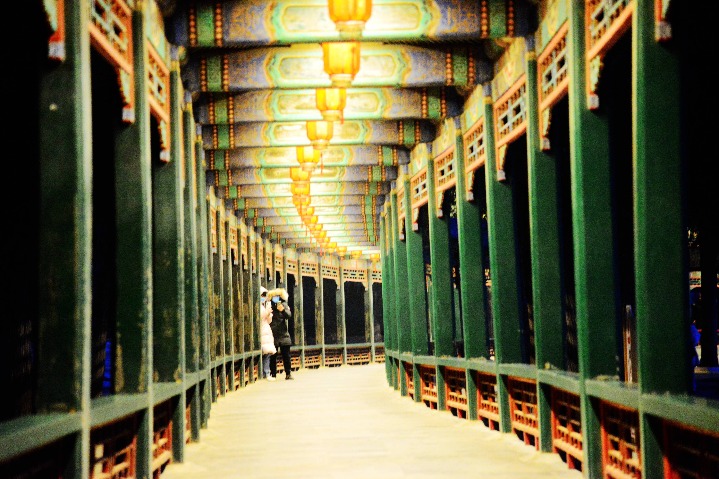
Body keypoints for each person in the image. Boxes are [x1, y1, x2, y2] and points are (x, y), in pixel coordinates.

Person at [267, 288, 294, 380]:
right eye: (274, 296)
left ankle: (288, 373)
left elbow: (289, 316)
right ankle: (273, 373)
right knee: (273, 356)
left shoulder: (283, 305)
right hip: (272, 333)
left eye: (277, 296)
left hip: (283, 334)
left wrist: (282, 310)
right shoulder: (269, 305)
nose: (276, 298)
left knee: (286, 355)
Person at [259, 286, 276, 381]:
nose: (264, 297)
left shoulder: (263, 306)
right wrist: (267, 312)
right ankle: (266, 372)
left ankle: (266, 372)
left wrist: (269, 313)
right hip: (262, 331)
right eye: (262, 295)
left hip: (266, 331)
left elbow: (268, 320)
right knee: (266, 354)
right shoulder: (259, 307)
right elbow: (260, 318)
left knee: (267, 353)